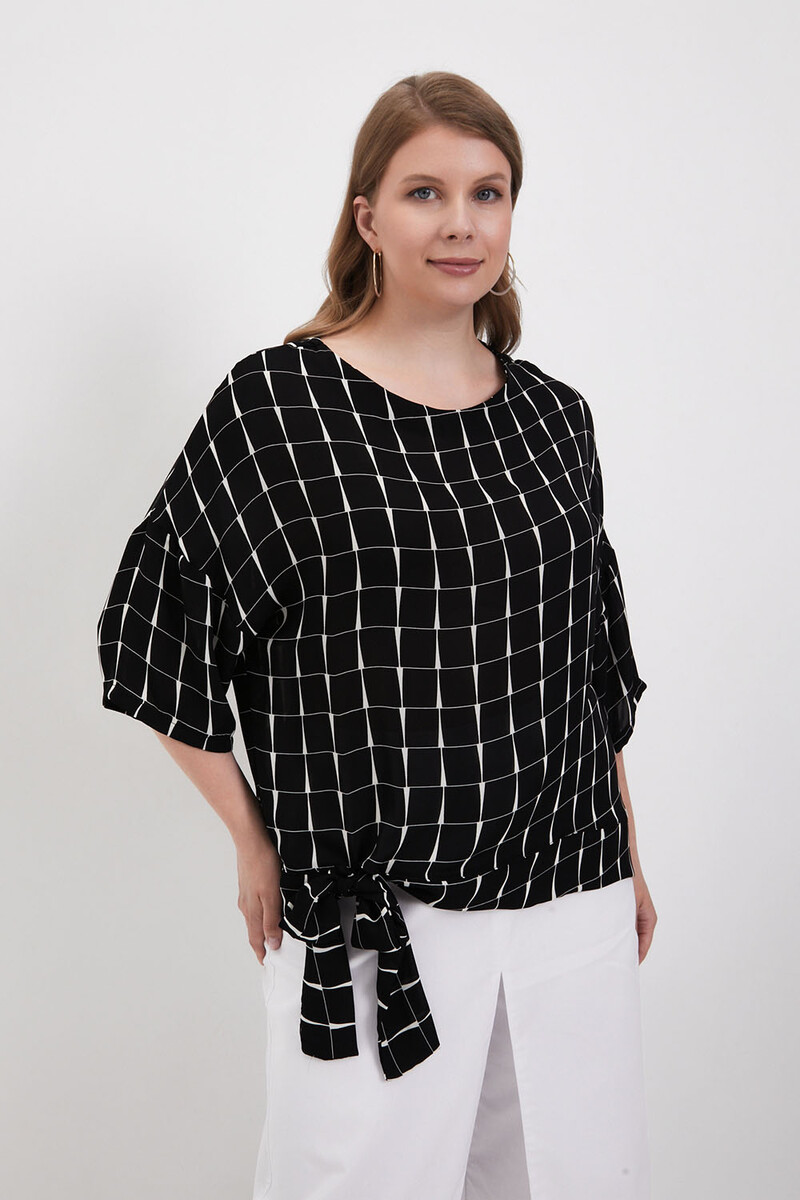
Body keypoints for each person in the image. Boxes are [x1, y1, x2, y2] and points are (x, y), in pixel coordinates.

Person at [96, 70, 656, 1200]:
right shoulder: (277, 408)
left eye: (487, 192)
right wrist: (252, 838)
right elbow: (152, 633)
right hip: (375, 915)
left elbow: (587, 665)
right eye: (423, 192)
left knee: (569, 1178)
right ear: (366, 217)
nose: (461, 223)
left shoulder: (554, 420)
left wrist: (629, 852)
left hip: (570, 902)